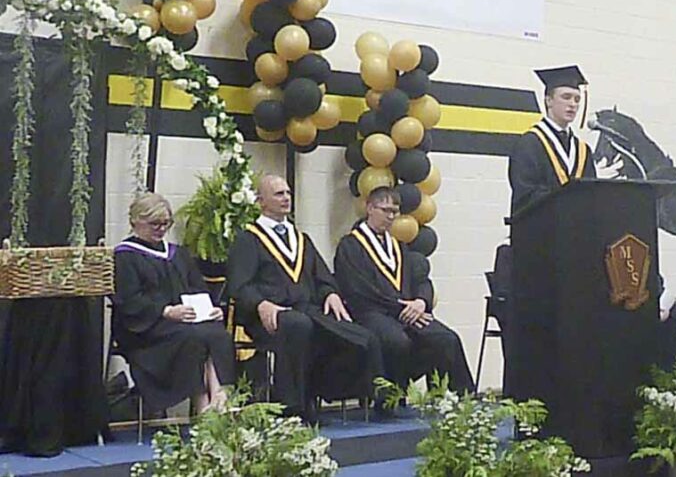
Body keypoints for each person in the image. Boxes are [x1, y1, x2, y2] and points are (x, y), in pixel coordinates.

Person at [226, 174, 384, 422]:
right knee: (299, 325)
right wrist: (261, 303)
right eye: (279, 193)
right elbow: (239, 285)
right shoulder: (248, 239)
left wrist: (330, 293)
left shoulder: (301, 239)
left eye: (288, 192)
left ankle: (334, 392)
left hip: (306, 310)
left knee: (361, 337)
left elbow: (322, 276)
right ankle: (291, 408)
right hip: (267, 317)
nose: (286, 197)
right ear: (261, 201)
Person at [334, 187, 474, 395]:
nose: (390, 216)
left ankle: (455, 399)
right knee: (396, 341)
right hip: (371, 313)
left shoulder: (399, 247)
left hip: (407, 312)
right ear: (370, 208)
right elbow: (358, 289)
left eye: (395, 211)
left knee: (445, 338)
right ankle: (391, 399)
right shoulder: (350, 246)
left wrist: (420, 302)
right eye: (385, 210)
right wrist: (400, 307)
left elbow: (421, 280)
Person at [111, 193, 236, 414]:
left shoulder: (177, 254)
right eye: (154, 224)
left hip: (185, 322)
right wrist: (166, 311)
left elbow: (196, 288)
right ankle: (202, 405)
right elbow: (128, 300)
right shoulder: (125, 256)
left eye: (165, 224)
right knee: (194, 338)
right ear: (135, 222)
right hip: (147, 330)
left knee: (218, 333)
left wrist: (210, 309)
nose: (160, 229)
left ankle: (220, 398)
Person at [507, 66, 596, 214]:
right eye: (566, 97)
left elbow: (593, 195)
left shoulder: (583, 150)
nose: (573, 104)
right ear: (549, 101)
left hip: (577, 232)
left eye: (577, 99)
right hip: (539, 231)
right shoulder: (529, 144)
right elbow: (526, 195)